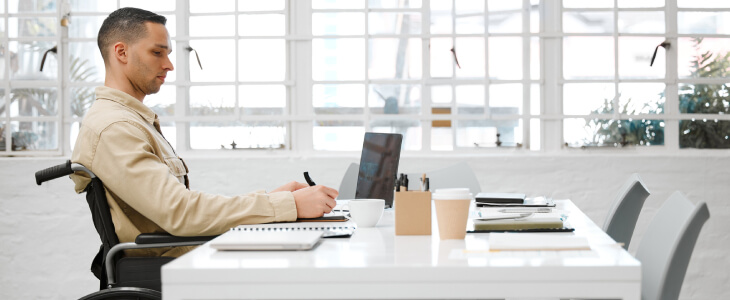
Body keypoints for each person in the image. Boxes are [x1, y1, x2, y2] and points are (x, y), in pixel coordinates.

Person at [70, 7, 338, 257]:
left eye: (169, 54)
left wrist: (272, 199)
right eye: (157, 52)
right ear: (121, 52)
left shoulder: (130, 120)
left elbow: (183, 208)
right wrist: (286, 206)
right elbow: (181, 213)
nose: (169, 65)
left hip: (187, 256)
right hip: (174, 268)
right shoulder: (115, 127)